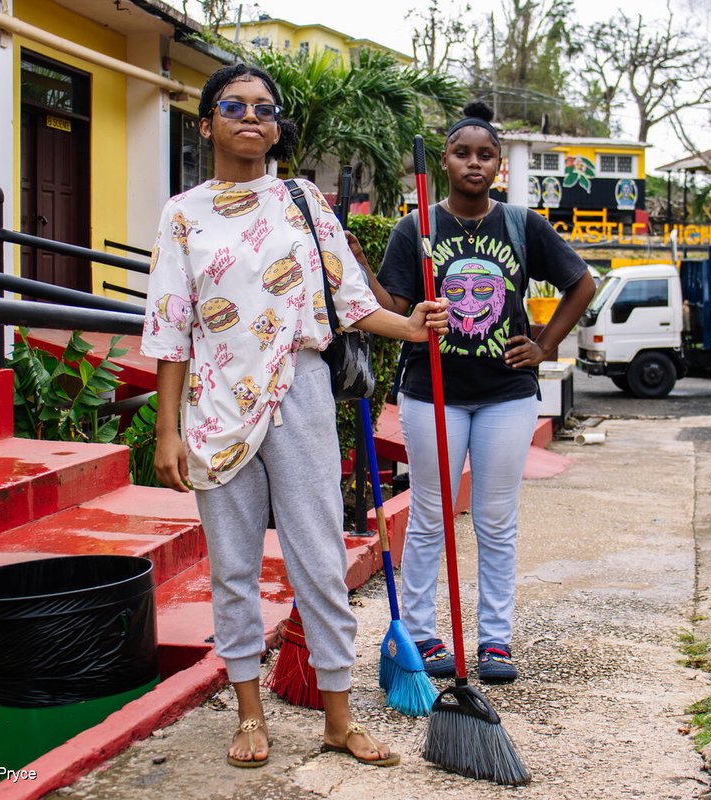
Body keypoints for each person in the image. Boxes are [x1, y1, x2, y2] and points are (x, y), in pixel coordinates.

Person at [141, 63, 448, 769]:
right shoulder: (183, 215)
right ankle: (250, 712)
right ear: (206, 122)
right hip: (217, 408)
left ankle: (338, 719)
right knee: (233, 569)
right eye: (234, 105)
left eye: (264, 108)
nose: (251, 117)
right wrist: (167, 431)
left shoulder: (302, 200)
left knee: (318, 557)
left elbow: (351, 300)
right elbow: (170, 327)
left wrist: (413, 326)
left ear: (277, 126)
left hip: (301, 393)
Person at [373, 101, 595, 683]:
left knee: (495, 519)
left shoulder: (522, 225)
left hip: (506, 392)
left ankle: (495, 640)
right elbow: (394, 307)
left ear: (498, 164)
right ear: (444, 160)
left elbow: (582, 283)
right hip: (431, 391)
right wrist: (356, 266)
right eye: (462, 152)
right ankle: (421, 634)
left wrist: (543, 345)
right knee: (429, 515)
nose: (474, 162)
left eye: (485, 154)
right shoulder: (416, 227)